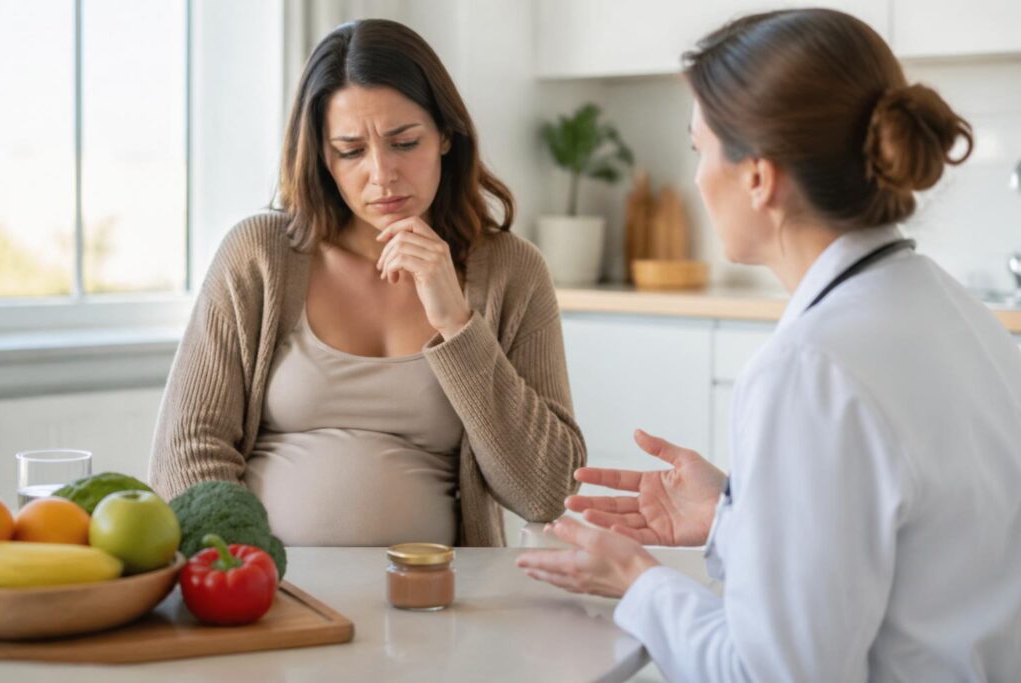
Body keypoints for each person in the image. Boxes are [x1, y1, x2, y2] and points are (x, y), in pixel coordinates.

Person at [517, 9, 1021, 681]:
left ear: (758, 177)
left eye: (699, 150)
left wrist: (639, 582)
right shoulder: (960, 314)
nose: (697, 179)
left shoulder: (810, 369)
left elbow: (773, 673)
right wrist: (738, 513)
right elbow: (907, 554)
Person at [149, 19, 585, 547]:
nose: (382, 174)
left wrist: (457, 324)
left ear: (446, 135)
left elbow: (548, 491)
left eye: (405, 142)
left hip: (437, 589)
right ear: (322, 156)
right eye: (351, 151)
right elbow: (186, 451)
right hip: (268, 587)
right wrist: (247, 573)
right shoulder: (260, 254)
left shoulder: (513, 272)